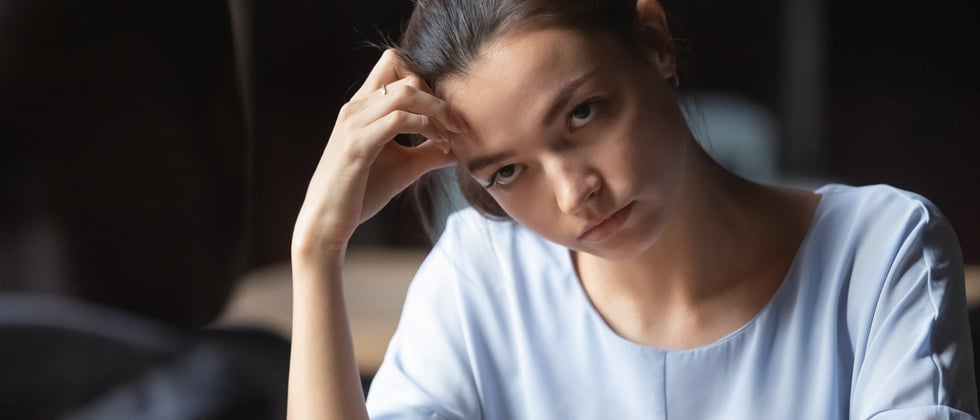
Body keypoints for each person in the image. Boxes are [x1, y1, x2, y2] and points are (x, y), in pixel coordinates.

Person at [286, 0, 979, 418]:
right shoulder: (482, 276)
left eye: (583, 113)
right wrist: (317, 250)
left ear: (653, 44)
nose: (571, 192)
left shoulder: (883, 252)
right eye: (506, 170)